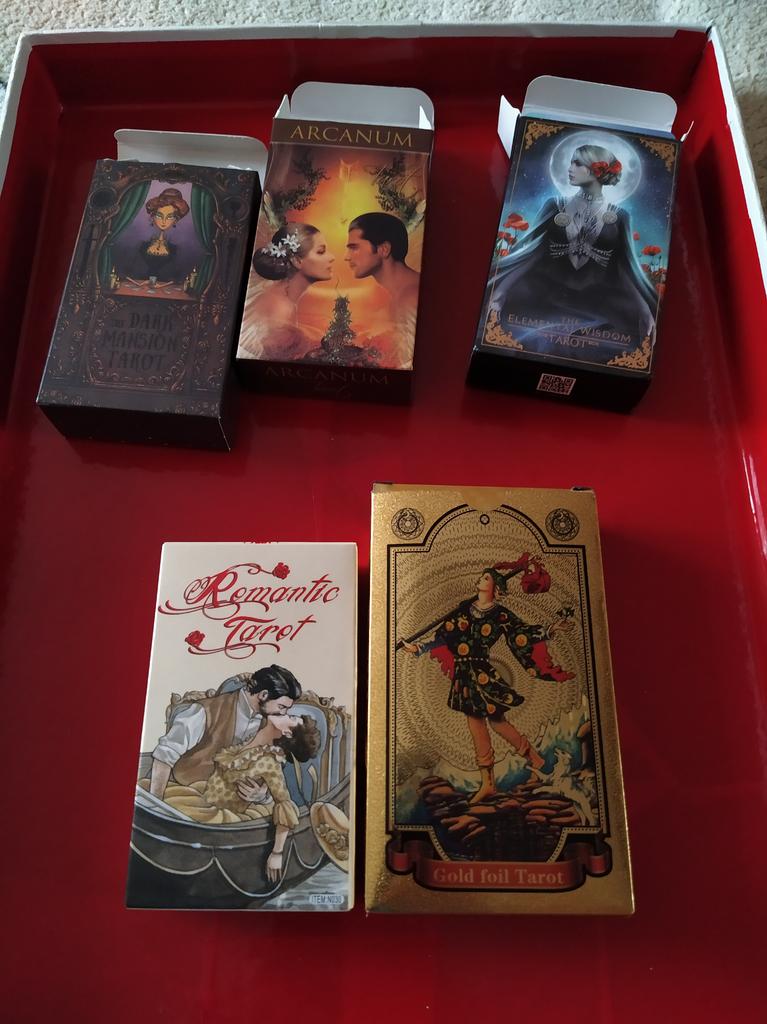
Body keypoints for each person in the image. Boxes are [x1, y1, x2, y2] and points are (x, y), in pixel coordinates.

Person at [402, 567, 573, 804]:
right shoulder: (464, 609)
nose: (480, 579)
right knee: (480, 724)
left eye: (486, 578)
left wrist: (550, 630)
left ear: (496, 588)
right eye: (481, 576)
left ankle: (515, 770)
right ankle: (506, 775)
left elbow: (521, 633)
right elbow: (443, 637)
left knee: (496, 722)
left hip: (481, 672)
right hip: (464, 674)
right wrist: (418, 648)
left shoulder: (500, 614)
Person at [489, 144, 658, 358]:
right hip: (546, 297)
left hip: (597, 304)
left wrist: (644, 310)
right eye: (570, 162)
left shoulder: (620, 216)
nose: (569, 168)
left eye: (577, 163)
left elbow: (623, 268)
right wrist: (500, 292)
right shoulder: (555, 204)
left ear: (596, 170)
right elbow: (534, 253)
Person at [150, 710, 322, 882]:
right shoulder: (255, 738)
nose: (285, 713)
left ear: (287, 732)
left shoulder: (270, 762)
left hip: (220, 817)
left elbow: (284, 805)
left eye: (291, 718)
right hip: (201, 799)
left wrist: (277, 853)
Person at [148, 663, 301, 801]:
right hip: (189, 794)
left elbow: (271, 772)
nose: (283, 713)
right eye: (281, 707)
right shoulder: (205, 711)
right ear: (263, 695)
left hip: (234, 804)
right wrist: (156, 803)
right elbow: (165, 755)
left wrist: (262, 795)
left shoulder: (270, 724)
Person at [238, 223, 335, 359]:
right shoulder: (281, 307)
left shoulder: (284, 297)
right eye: (320, 251)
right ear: (296, 261)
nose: (332, 257)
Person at [345, 212, 420, 313]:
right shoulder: (397, 299)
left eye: (354, 248)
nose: (346, 257)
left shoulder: (411, 299)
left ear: (384, 249)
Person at [127, 187, 189, 287]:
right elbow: (129, 271)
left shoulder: (176, 249)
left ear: (176, 219)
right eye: (159, 216)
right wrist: (144, 282)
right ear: (153, 216)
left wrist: (163, 285)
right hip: (141, 288)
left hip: (166, 290)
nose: (163, 221)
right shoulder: (142, 245)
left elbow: (180, 276)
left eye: (169, 217)